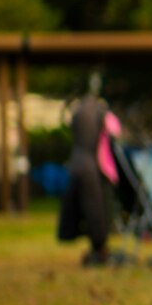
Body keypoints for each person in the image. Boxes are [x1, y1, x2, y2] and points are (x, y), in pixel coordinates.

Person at [57, 89, 121, 266]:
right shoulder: (100, 112)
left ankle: (96, 247)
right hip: (93, 167)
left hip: (76, 164)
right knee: (97, 210)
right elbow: (116, 129)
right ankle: (100, 249)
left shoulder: (78, 113)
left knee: (86, 210)